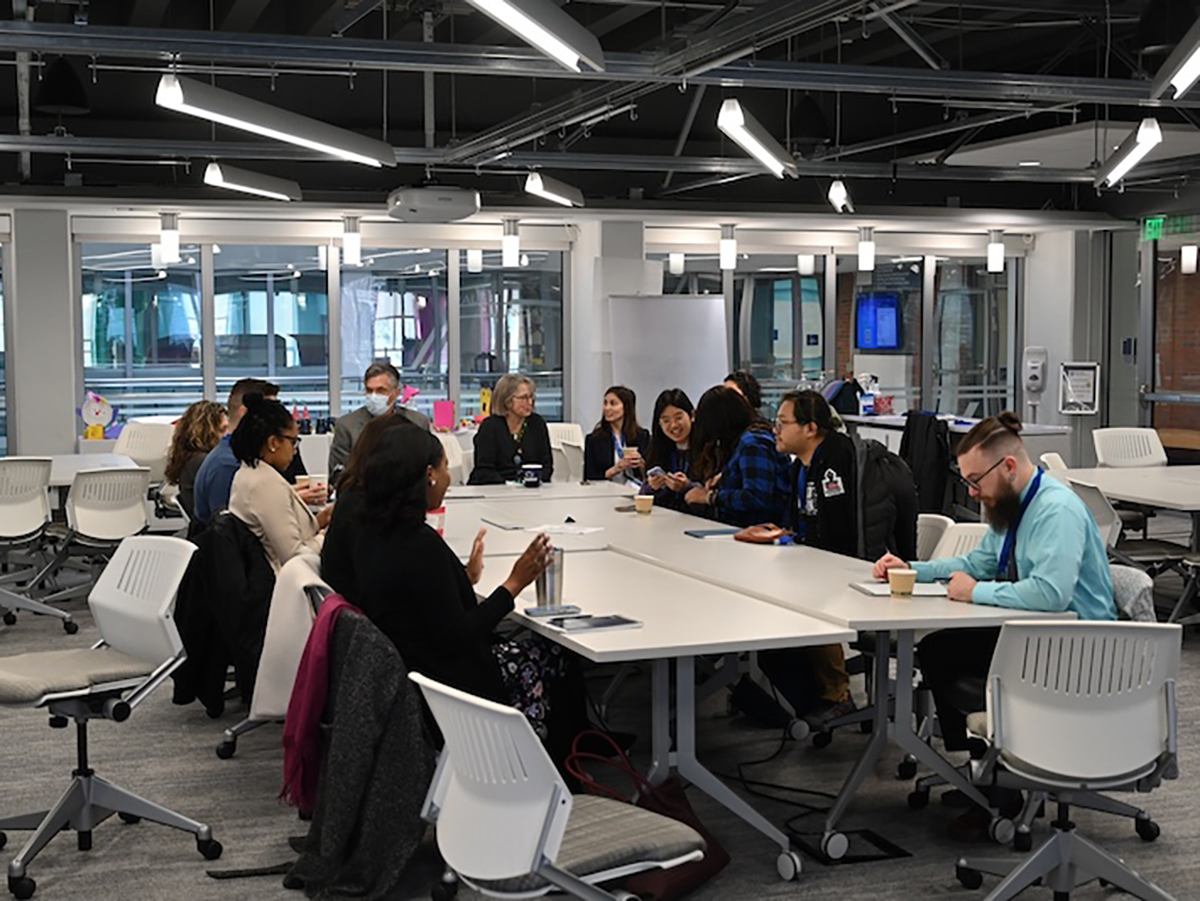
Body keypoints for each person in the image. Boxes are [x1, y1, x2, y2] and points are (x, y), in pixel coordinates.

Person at [872, 412, 1116, 837]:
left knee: (948, 655)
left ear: (1007, 467)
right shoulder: (1013, 505)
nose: (971, 491)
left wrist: (974, 593)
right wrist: (913, 568)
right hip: (1042, 635)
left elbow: (1049, 594)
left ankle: (997, 791)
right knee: (939, 649)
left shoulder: (1054, 511)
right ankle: (985, 774)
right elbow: (977, 563)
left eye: (975, 480)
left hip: (1078, 650)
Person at [321, 423, 587, 760]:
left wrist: (462, 578)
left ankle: (568, 756)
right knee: (558, 653)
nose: (449, 478)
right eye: (447, 467)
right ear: (428, 474)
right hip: (456, 683)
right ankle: (563, 764)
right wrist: (514, 583)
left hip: (417, 670)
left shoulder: (376, 532)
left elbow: (423, 601)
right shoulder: (418, 544)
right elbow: (460, 634)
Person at [193, 378, 326, 527]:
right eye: (271, 413)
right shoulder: (228, 465)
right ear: (246, 414)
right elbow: (231, 529)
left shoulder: (250, 458)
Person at [229, 395, 331, 571]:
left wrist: (320, 521)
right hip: (281, 585)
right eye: (293, 442)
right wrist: (325, 536)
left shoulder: (248, 473)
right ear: (273, 443)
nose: (294, 450)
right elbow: (295, 556)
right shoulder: (265, 483)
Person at [683, 385, 791, 527]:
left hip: (758, 530)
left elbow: (756, 497)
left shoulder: (752, 443)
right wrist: (725, 477)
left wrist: (709, 497)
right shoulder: (749, 439)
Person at [328, 361, 431, 476]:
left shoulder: (417, 423)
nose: (373, 396)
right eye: (369, 390)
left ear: (396, 393)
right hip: (361, 491)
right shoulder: (346, 425)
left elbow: (428, 467)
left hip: (409, 491)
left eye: (381, 391)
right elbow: (337, 474)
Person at [468, 373, 554, 485]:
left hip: (530, 490)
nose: (530, 402)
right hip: (494, 490)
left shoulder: (537, 424)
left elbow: (547, 465)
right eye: (523, 398)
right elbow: (484, 470)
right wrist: (509, 484)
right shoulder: (490, 427)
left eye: (531, 397)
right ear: (507, 401)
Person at [164, 400, 227, 523]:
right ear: (207, 432)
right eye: (222, 430)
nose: (227, 435)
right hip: (211, 531)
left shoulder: (190, 458)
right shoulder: (204, 462)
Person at [640, 388, 694, 511]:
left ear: (692, 416)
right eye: (666, 421)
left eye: (678, 418)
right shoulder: (659, 450)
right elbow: (643, 494)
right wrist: (653, 487)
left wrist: (687, 486)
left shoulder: (707, 449)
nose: (674, 425)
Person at [583, 385, 650, 483]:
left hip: (635, 490)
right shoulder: (594, 439)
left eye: (613, 404)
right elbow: (589, 477)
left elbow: (650, 475)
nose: (607, 408)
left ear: (626, 407)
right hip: (606, 492)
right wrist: (615, 469)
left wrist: (641, 465)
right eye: (605, 403)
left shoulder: (642, 436)